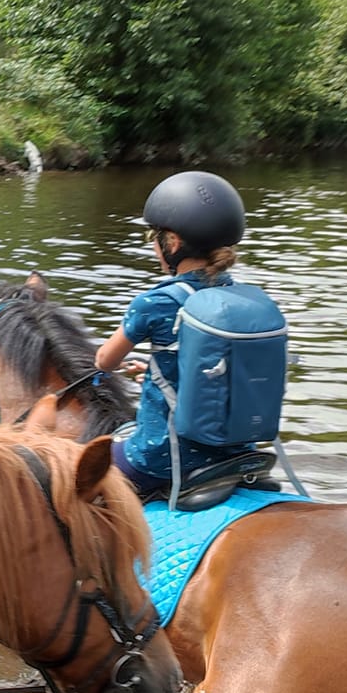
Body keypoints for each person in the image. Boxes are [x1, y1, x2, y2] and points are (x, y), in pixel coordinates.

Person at [95, 170, 260, 496]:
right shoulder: (244, 298)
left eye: (153, 239)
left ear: (172, 242)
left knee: (73, 478)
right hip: (239, 452)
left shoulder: (155, 301)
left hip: (161, 458)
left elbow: (104, 361)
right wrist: (158, 374)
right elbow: (218, 368)